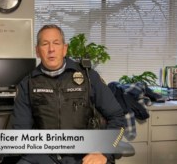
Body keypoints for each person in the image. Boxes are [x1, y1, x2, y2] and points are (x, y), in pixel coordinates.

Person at [12, 24, 125, 164]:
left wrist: (103, 152)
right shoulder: (27, 84)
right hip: (43, 156)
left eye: (56, 43)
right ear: (37, 51)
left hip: (86, 155)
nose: (51, 49)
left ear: (64, 49)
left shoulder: (89, 78)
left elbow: (117, 118)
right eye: (45, 44)